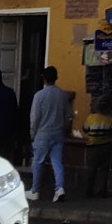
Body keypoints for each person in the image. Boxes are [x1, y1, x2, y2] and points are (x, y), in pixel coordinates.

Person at [27, 66, 71, 203]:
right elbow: (67, 115)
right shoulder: (63, 95)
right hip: (58, 133)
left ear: (44, 79)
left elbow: (35, 117)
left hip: (42, 133)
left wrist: (33, 133)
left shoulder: (39, 95)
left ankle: (35, 190)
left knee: (38, 161)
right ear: (56, 78)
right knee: (57, 162)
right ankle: (59, 189)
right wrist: (64, 129)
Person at [83, 93, 112, 198]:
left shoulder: (91, 118)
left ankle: (89, 191)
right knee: (104, 170)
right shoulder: (110, 119)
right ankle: (102, 191)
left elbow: (85, 129)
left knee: (92, 169)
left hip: (93, 146)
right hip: (106, 146)